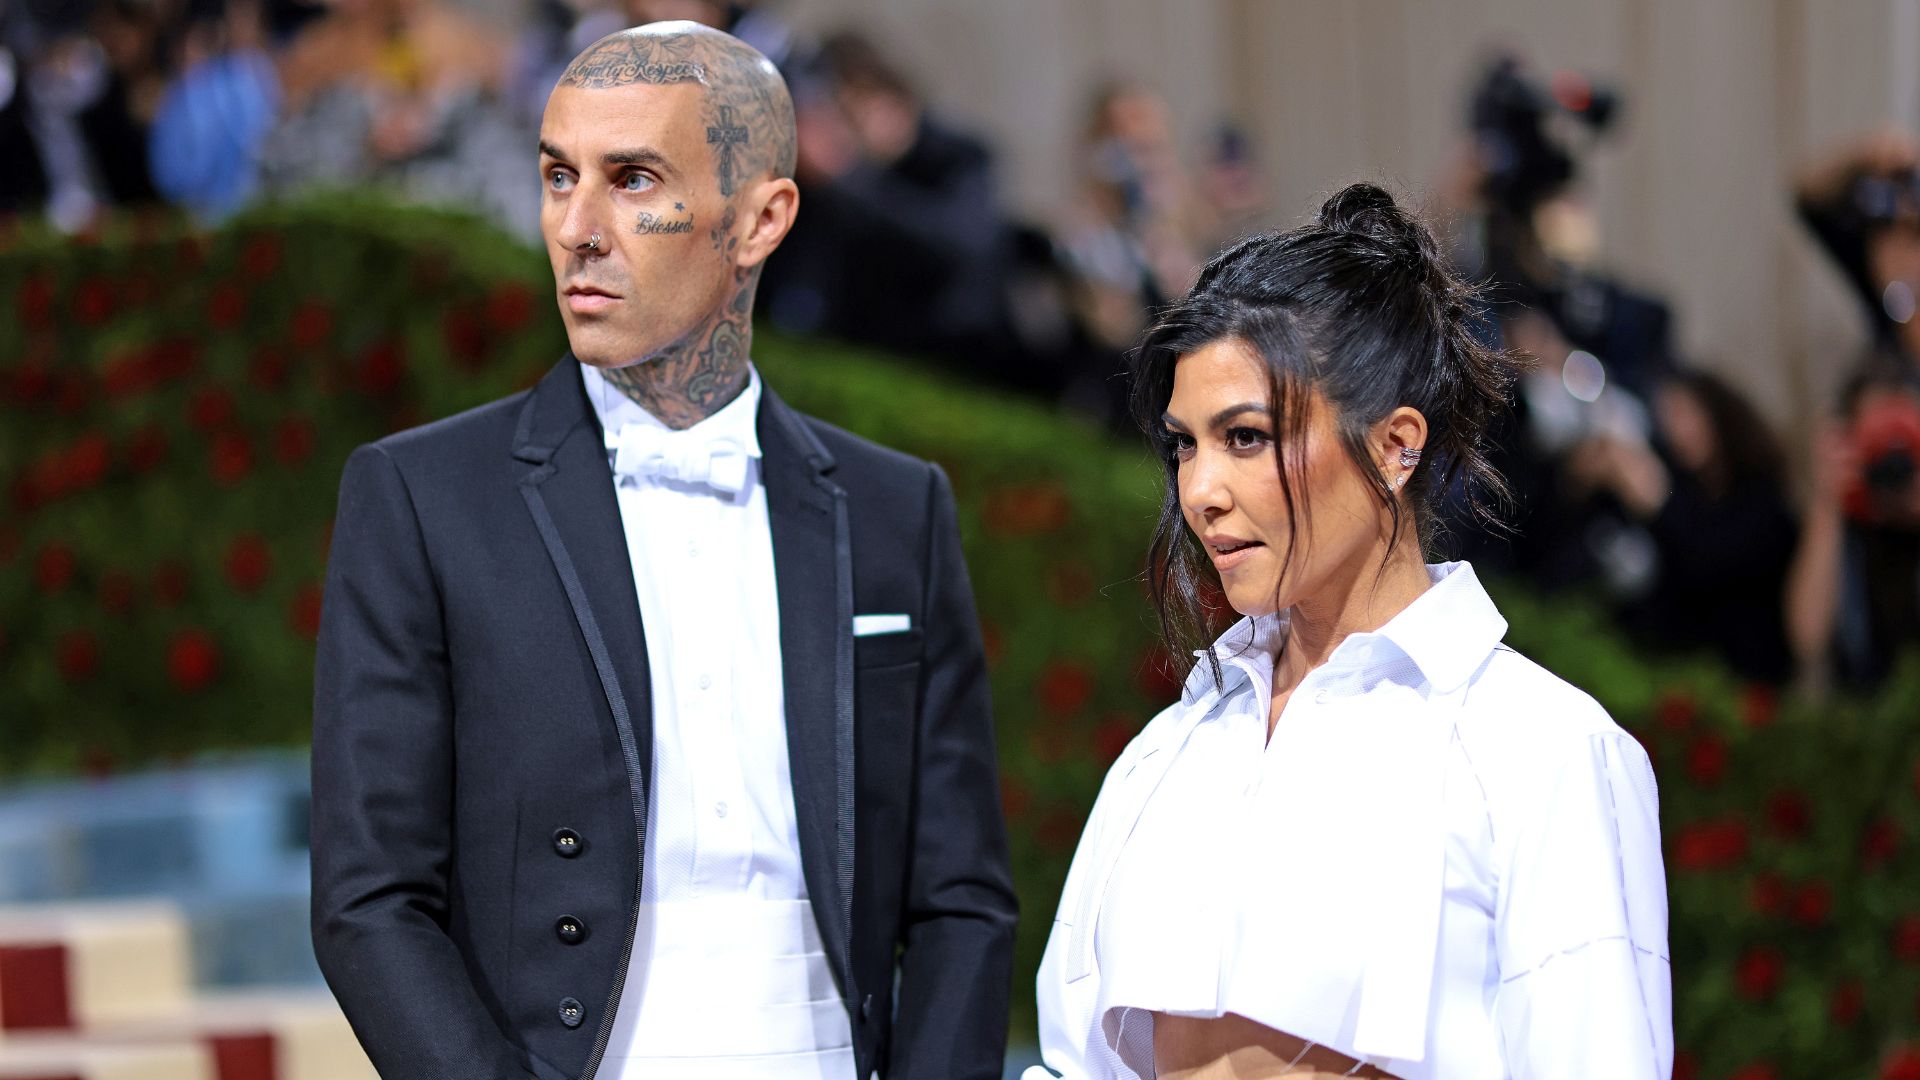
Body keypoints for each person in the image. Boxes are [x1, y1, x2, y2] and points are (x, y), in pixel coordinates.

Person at [310, 22, 1016, 1080]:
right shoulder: (423, 498)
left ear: (759, 218)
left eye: (631, 179)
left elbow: (961, 895)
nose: (576, 228)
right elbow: (369, 900)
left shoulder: (892, 508)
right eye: (558, 176)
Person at [1028, 185, 1671, 1079]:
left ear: (1395, 445)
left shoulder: (1545, 752)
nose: (1200, 489)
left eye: (1246, 438)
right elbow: (1072, 1063)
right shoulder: (1163, 758)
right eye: (1184, 445)